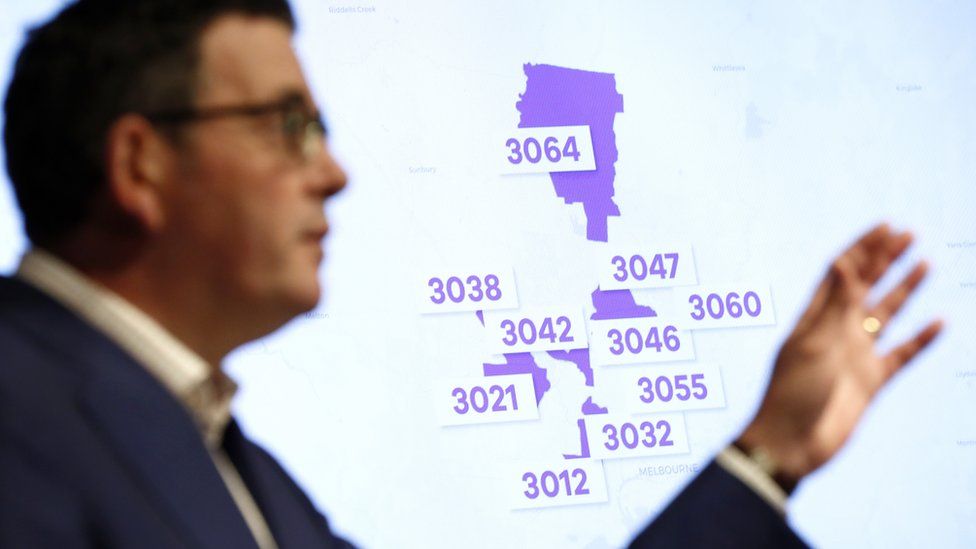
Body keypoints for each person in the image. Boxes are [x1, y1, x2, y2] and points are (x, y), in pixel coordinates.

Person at [0, 1, 942, 547]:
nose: (334, 171)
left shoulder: (252, 479)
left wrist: (770, 450)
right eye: (287, 125)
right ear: (139, 165)